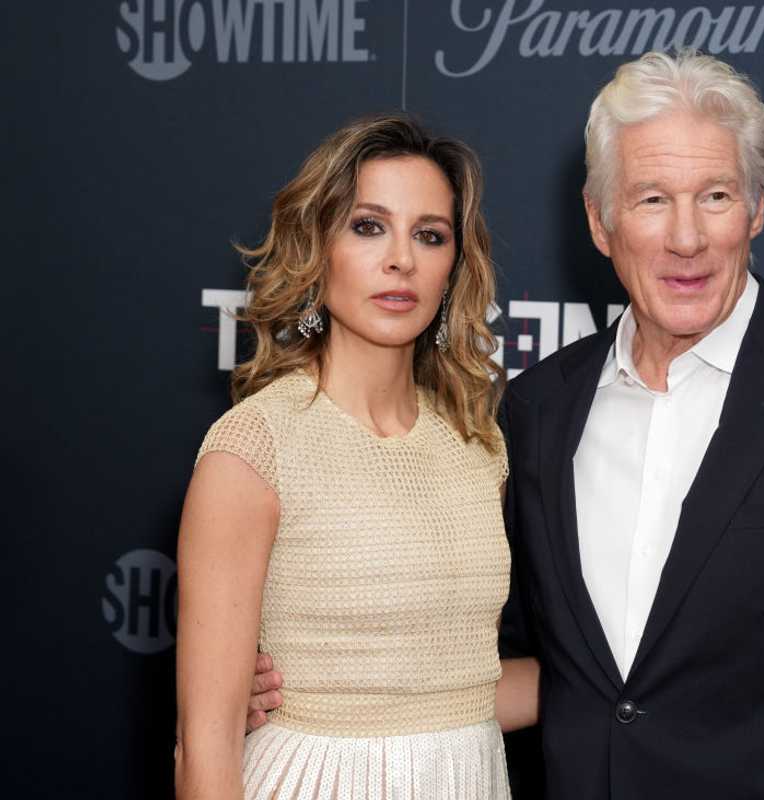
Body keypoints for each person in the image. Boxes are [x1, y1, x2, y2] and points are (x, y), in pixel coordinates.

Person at [252, 51, 764, 798]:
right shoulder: (535, 413)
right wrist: (300, 688)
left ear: (758, 210)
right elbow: (479, 652)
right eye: (651, 200)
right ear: (600, 221)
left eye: (717, 196)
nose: (687, 239)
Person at [175, 114, 538, 800]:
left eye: (429, 235)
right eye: (369, 226)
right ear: (320, 247)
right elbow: (206, 750)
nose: (401, 258)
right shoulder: (254, 447)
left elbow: (462, 689)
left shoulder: (478, 448)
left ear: (452, 267)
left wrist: (637, 681)